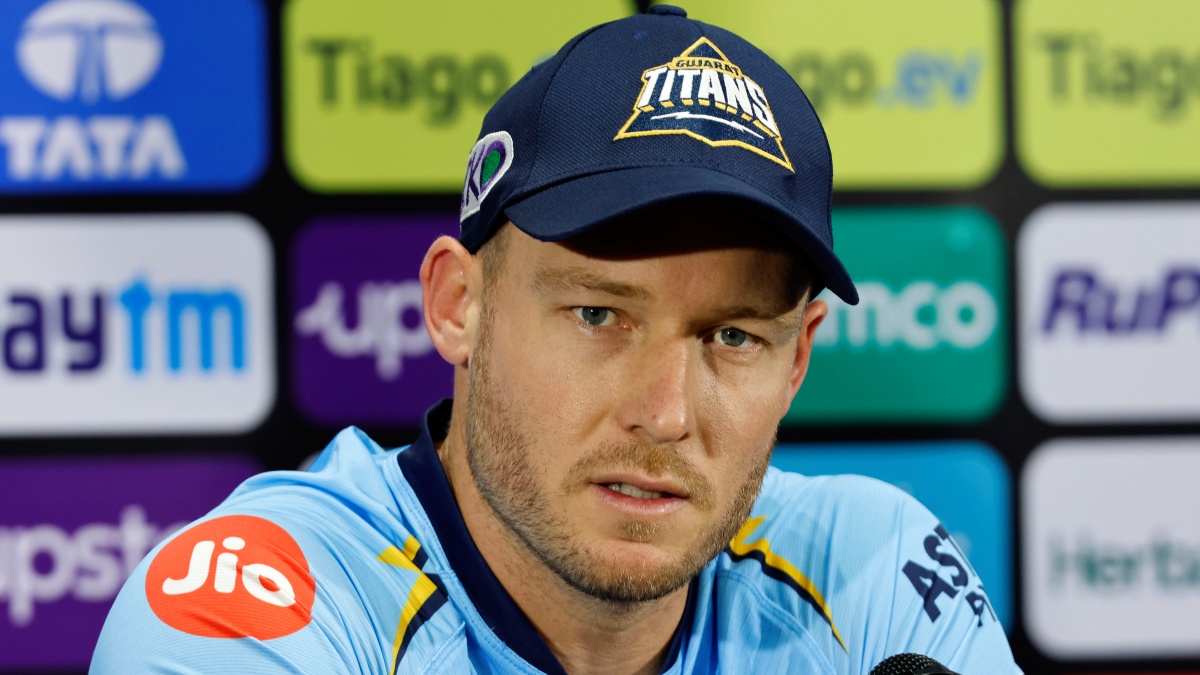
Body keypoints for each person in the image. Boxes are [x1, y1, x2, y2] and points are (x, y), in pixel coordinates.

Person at [92, 7, 1021, 674]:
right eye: (599, 315)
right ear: (459, 304)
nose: (665, 412)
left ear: (799, 361)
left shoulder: (870, 571)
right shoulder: (259, 607)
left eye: (734, 335)